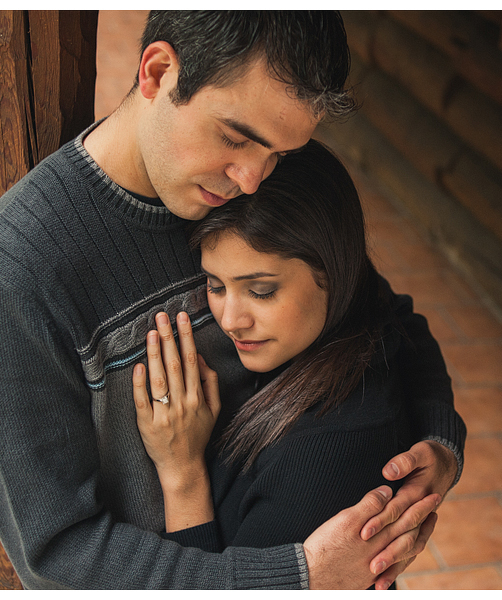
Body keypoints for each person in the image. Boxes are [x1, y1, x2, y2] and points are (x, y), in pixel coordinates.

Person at [0, 11, 465, 590]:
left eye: (279, 154)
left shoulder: (253, 178)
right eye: (235, 138)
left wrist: (438, 445)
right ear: (158, 72)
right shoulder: (15, 274)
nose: (253, 179)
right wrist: (294, 578)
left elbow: (384, 317)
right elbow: (60, 557)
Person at [133, 141, 436, 592]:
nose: (231, 321)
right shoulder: (349, 325)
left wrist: (182, 475)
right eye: (215, 285)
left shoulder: (330, 451)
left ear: (335, 271)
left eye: (260, 291)